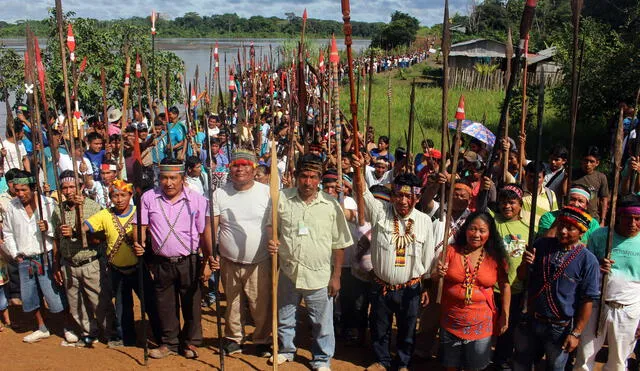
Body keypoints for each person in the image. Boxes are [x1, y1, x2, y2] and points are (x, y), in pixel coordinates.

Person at [267, 155, 353, 370]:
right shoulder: (281, 199)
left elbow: (339, 243)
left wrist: (336, 277)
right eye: (303, 176)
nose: (307, 182)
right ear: (296, 177)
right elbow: (272, 227)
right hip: (288, 271)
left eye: (313, 177)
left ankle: (322, 358)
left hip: (319, 275)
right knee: (285, 315)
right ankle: (285, 350)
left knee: (322, 322)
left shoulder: (331, 205)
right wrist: (273, 241)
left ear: (319, 180)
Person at [133, 158, 216, 360]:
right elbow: (140, 224)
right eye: (163, 178)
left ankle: (190, 342)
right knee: (165, 304)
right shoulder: (148, 198)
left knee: (191, 303)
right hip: (161, 262)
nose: (168, 183)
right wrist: (138, 240)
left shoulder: (196, 200)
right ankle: (169, 342)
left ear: (182, 178)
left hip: (189, 260)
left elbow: (204, 232)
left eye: (173, 178)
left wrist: (208, 260)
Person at [355, 170, 436, 371]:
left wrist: (426, 285)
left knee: (407, 328)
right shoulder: (380, 212)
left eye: (409, 196)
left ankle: (403, 363)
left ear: (417, 198)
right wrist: (360, 168)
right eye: (399, 195)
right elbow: (362, 190)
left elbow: (428, 256)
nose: (403, 200)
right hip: (381, 285)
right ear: (393, 196)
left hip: (411, 288)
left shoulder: (425, 221)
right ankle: (381, 361)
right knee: (379, 325)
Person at [513, 206, 600, 371]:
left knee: (555, 367)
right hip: (532, 320)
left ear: (581, 232)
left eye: (570, 228)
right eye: (561, 226)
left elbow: (588, 299)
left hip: (559, 327)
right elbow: (522, 276)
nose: (563, 231)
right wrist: (525, 262)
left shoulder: (588, 261)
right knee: (521, 362)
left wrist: (576, 333)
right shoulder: (542, 244)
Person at [82, 178, 161, 347]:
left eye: (123, 195)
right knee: (123, 307)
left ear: (130, 195)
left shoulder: (139, 213)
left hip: (139, 268)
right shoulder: (105, 215)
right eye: (115, 195)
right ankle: (127, 337)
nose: (119, 199)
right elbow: (85, 226)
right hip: (117, 270)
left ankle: (162, 337)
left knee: (150, 304)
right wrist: (76, 215)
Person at [213, 150, 272, 357]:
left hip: (260, 260)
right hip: (229, 261)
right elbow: (213, 225)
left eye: (245, 165)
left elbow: (276, 223)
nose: (240, 169)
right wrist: (212, 254)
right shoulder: (220, 193)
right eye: (236, 165)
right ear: (230, 168)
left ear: (253, 168)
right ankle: (233, 338)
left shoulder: (267, 192)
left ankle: (262, 339)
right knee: (233, 302)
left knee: (260, 303)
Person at [435, 211, 510, 371]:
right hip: (451, 322)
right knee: (450, 366)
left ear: (489, 234)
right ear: (465, 230)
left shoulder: (496, 257)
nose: (476, 234)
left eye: (482, 231)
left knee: (476, 367)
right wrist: (437, 274)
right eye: (472, 229)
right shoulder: (450, 251)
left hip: (481, 325)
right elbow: (435, 279)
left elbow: (505, 286)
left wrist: (505, 314)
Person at [0, 170, 69, 343]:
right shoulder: (12, 207)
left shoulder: (48, 204)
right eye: (17, 190)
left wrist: (48, 228)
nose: (20, 194)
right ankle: (42, 327)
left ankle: (67, 327)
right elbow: (7, 232)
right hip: (25, 258)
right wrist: (15, 253)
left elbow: (59, 230)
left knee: (54, 294)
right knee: (31, 297)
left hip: (46, 256)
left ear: (33, 188)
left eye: (24, 190)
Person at [574, 194, 640, 371]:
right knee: (584, 358)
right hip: (596, 306)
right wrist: (597, 265)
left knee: (618, 362)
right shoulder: (600, 236)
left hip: (628, 310)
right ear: (618, 216)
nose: (632, 223)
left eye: (637, 218)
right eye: (628, 218)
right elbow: (584, 268)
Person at [51, 171, 114, 345]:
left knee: (99, 301)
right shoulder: (58, 210)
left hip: (90, 262)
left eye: (72, 187)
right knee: (75, 303)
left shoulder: (93, 207)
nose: (69, 191)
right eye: (65, 187)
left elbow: (101, 237)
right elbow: (56, 239)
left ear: (81, 187)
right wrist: (56, 264)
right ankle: (88, 331)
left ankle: (109, 332)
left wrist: (77, 233)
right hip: (68, 263)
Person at [492, 184, 529, 369]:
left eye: (512, 202)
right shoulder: (492, 220)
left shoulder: (527, 229)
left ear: (520, 205)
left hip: (515, 289)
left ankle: (501, 362)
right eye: (503, 202)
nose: (507, 206)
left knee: (507, 330)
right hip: (490, 288)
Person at [572, 146, 609, 226]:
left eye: (591, 161)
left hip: (592, 218)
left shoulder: (601, 177)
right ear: (581, 160)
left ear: (597, 163)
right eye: (586, 160)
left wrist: (602, 220)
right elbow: (564, 192)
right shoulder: (572, 174)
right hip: (573, 215)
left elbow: (604, 200)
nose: (588, 164)